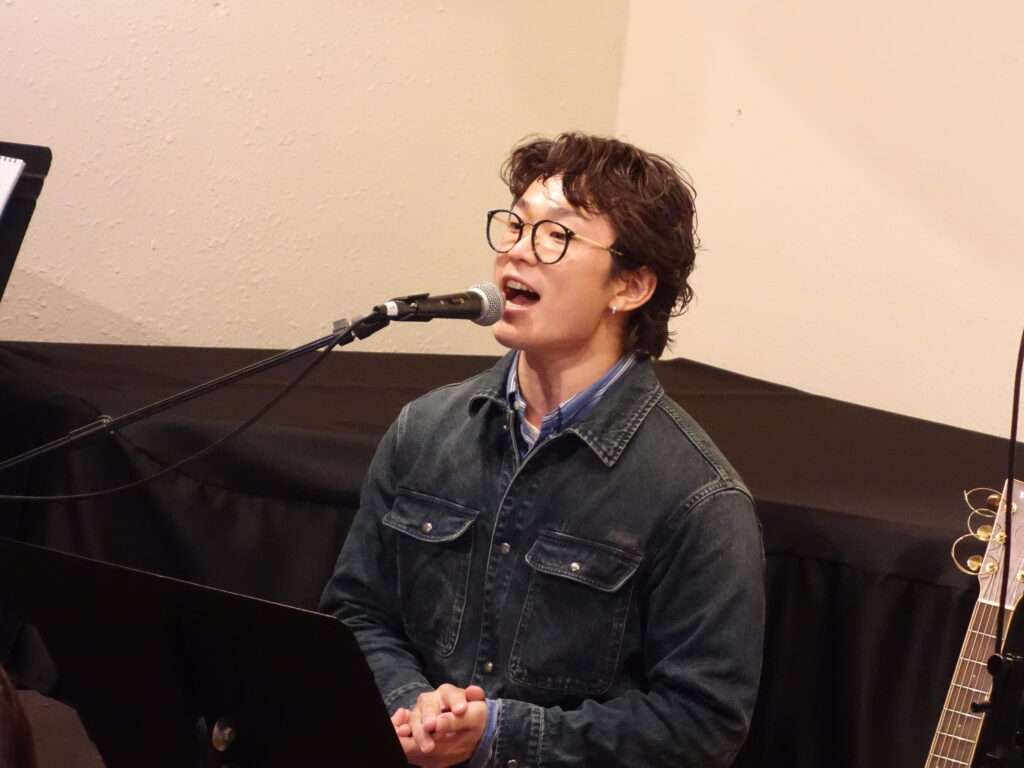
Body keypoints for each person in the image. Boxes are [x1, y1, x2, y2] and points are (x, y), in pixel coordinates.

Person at [320, 132, 764, 767]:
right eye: (515, 225)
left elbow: (702, 723)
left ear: (632, 286)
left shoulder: (699, 498)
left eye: (556, 236)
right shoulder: (424, 429)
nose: (517, 253)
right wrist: (413, 706)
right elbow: (357, 611)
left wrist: (496, 735)